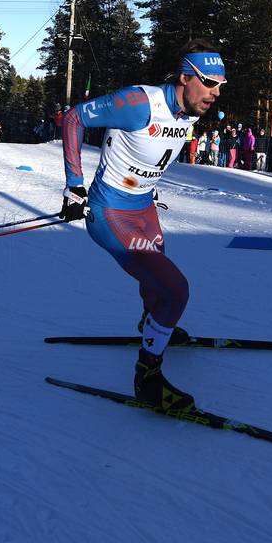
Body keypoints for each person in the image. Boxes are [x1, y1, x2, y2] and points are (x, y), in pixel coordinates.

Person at [59, 39, 224, 412]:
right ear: (184, 76)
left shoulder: (191, 111)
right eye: (208, 82)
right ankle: (147, 376)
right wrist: (74, 187)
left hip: (145, 210)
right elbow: (74, 117)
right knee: (175, 289)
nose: (214, 93)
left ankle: (154, 325)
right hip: (111, 213)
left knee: (157, 286)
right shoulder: (139, 103)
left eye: (219, 86)